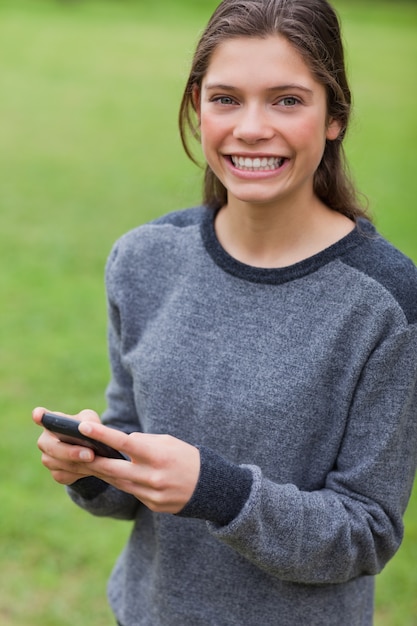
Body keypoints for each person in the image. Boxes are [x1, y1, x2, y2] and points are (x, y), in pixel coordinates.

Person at [33, 0, 417, 624]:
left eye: (287, 100)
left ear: (335, 117)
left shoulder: (384, 301)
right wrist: (92, 467)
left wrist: (219, 492)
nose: (251, 127)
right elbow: (131, 454)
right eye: (226, 98)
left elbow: (365, 533)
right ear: (197, 107)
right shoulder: (143, 259)